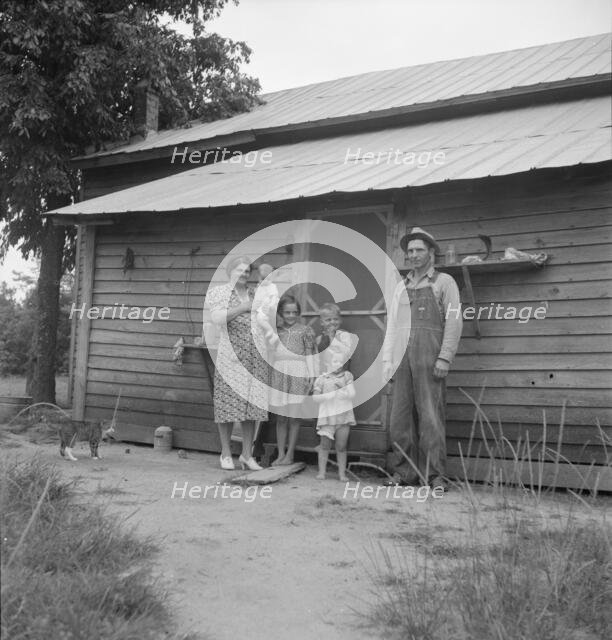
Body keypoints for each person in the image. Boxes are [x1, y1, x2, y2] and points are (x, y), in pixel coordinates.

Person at [382, 227, 462, 489]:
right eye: (410, 251)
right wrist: (387, 363)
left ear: (431, 253)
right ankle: (403, 473)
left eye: (419, 250)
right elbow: (392, 326)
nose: (414, 255)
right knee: (399, 418)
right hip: (401, 359)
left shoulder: (444, 282)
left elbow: (454, 321)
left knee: (430, 416)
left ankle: (436, 476)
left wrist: (445, 358)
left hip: (430, 357)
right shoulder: (400, 287)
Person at [206, 255, 268, 471]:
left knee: (251, 407)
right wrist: (244, 307)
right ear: (230, 272)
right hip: (231, 357)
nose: (243, 274)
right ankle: (225, 453)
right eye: (239, 270)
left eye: (247, 271)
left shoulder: (254, 294)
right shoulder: (220, 293)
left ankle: (247, 455)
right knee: (228, 405)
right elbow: (217, 319)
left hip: (254, 357)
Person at [269, 295, 316, 465]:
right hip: (279, 373)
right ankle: (280, 453)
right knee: (281, 417)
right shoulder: (276, 331)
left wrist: (311, 375)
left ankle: (290, 455)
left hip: (298, 372)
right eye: (287, 312)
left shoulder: (305, 330)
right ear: (281, 312)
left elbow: (310, 354)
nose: (291, 315)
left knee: (294, 417)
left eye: (294, 312)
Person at [312, 351, 356, 481]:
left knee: (341, 447)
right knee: (325, 445)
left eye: (342, 362)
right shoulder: (322, 379)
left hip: (343, 416)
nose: (339, 364)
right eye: (336, 361)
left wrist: (346, 394)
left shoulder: (347, 376)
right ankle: (322, 472)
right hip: (327, 417)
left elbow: (352, 393)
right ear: (327, 363)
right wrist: (327, 396)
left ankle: (342, 474)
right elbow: (315, 398)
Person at [315, 303, 356, 371]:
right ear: (322, 322)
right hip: (325, 376)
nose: (332, 322)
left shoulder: (345, 336)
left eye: (336, 319)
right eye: (328, 320)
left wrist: (331, 335)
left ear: (340, 320)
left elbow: (345, 354)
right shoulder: (319, 339)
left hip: (342, 375)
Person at [254, 263, 280, 347]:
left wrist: (271, 306)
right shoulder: (259, 287)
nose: (265, 281)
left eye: (268, 279)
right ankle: (272, 336)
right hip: (261, 307)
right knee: (260, 319)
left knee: (261, 319)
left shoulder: (272, 286)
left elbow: (273, 297)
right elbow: (257, 298)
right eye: (262, 279)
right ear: (258, 278)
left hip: (270, 306)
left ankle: (270, 331)